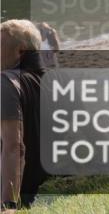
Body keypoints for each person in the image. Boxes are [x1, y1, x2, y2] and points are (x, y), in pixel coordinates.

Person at [1, 20, 47, 209]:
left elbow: (14, 147)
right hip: (50, 186)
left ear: (20, 51)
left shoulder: (6, 82)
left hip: (24, 192)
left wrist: (9, 204)